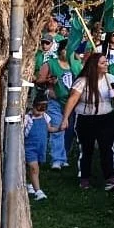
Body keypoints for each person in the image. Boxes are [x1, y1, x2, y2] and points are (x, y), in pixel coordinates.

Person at [60, 52, 114, 191]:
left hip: (106, 117)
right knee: (86, 149)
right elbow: (73, 99)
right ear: (94, 65)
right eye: (102, 63)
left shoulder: (110, 78)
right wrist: (65, 119)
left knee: (107, 148)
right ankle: (84, 178)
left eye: (106, 62)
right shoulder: (83, 81)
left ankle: (110, 177)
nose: (106, 64)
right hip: (85, 118)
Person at [37, 38, 74, 170]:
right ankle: (57, 159)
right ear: (60, 50)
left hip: (71, 103)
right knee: (58, 128)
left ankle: (63, 156)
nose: (67, 52)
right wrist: (48, 81)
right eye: (65, 49)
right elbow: (39, 80)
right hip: (55, 101)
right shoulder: (50, 64)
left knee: (69, 130)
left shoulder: (75, 65)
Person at [25, 93, 60, 201]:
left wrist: (59, 128)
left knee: (35, 168)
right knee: (34, 167)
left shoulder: (45, 117)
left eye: (44, 107)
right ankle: (38, 192)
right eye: (38, 107)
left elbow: (49, 129)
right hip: (29, 147)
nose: (40, 110)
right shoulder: (27, 118)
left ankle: (30, 184)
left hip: (41, 147)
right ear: (33, 105)